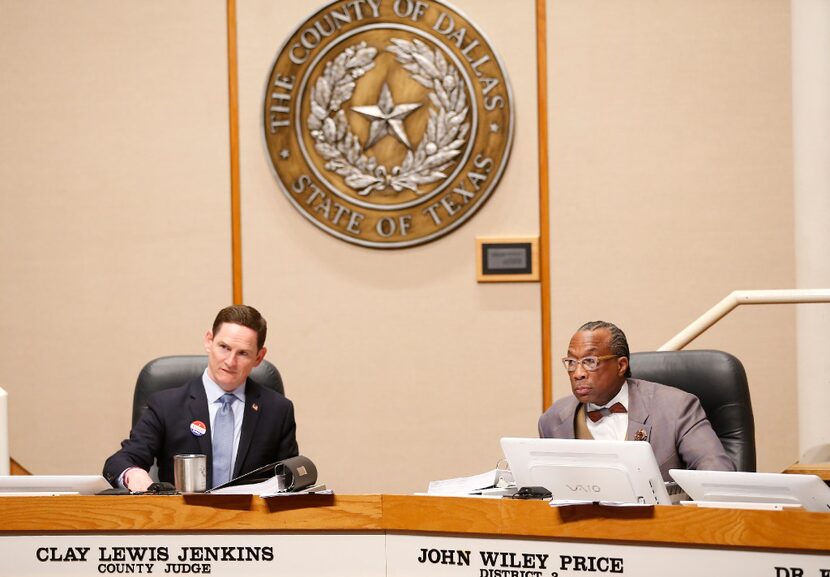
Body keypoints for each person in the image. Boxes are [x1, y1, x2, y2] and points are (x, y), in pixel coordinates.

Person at [104, 305, 298, 491]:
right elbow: (120, 461)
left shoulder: (278, 410)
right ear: (209, 341)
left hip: (250, 521)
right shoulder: (166, 406)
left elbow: (291, 481)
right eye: (224, 347)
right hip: (182, 520)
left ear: (259, 357)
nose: (230, 362)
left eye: (243, 353)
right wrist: (133, 473)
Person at [538, 320, 734, 480]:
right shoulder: (553, 420)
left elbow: (717, 475)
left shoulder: (676, 407)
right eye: (571, 363)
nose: (578, 373)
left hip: (661, 524)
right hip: (583, 526)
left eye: (590, 362)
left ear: (621, 365)